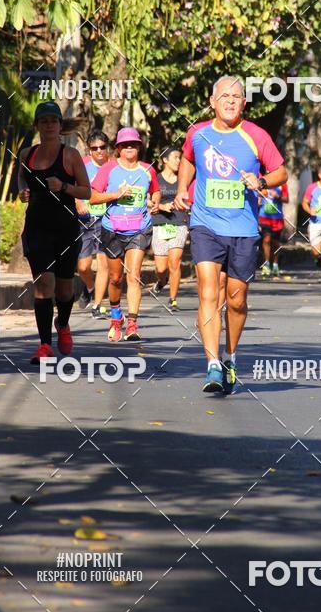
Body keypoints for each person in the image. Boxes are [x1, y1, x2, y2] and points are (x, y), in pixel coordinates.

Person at [175, 76, 287, 394]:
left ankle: (229, 357)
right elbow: (187, 158)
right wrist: (183, 188)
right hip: (206, 224)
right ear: (212, 101)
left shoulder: (256, 136)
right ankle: (212, 366)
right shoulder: (198, 133)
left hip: (243, 229)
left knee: (236, 300)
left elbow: (282, 171)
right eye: (224, 95)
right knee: (208, 292)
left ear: (243, 103)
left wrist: (262, 181)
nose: (230, 101)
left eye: (236, 96)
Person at [18, 101, 91, 364]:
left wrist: (63, 186)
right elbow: (21, 181)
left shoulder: (70, 155)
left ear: (60, 126)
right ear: (37, 125)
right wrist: (22, 193)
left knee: (64, 289)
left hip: (66, 229)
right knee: (43, 285)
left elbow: (87, 191)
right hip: (37, 229)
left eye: (53, 121)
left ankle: (63, 323)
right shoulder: (26, 154)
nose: (49, 125)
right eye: (44, 121)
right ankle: (44, 345)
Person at [90, 127, 160, 342]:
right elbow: (92, 197)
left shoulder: (148, 169)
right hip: (112, 229)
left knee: (134, 276)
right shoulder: (109, 169)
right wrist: (115, 194)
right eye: (125, 145)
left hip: (139, 228)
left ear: (139, 147)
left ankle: (132, 323)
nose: (129, 147)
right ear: (118, 148)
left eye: (133, 144)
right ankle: (115, 317)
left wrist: (155, 200)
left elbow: (155, 190)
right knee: (115, 278)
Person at [75, 131, 110, 318]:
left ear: (107, 148)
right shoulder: (82, 165)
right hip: (86, 219)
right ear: (89, 150)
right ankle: (89, 287)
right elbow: (71, 187)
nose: (99, 151)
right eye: (94, 148)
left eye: (102, 147)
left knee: (104, 263)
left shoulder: (114, 166)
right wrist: (77, 202)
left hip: (107, 220)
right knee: (83, 266)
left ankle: (97, 305)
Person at [151, 147, 189, 311]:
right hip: (159, 223)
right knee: (161, 268)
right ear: (165, 160)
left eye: (180, 158)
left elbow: (190, 197)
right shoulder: (156, 179)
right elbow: (148, 201)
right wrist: (160, 206)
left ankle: (173, 299)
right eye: (175, 157)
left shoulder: (184, 180)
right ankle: (161, 281)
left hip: (179, 222)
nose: (178, 161)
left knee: (175, 263)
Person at [258, 183, 289, 276]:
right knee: (266, 239)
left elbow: (286, 199)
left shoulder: (282, 184)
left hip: (277, 219)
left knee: (275, 243)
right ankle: (266, 264)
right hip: (264, 217)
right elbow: (257, 194)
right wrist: (258, 200)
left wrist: (278, 196)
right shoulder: (262, 182)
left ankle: (275, 264)